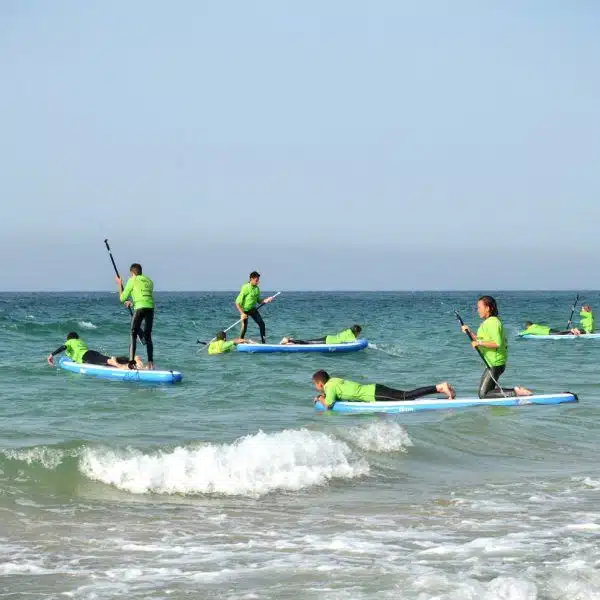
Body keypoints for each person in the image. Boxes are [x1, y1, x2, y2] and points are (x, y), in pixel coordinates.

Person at [461, 296, 532, 399]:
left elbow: (496, 343)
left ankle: (516, 392)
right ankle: (501, 404)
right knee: (488, 393)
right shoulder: (489, 322)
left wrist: (479, 343)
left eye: (479, 307)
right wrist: (469, 332)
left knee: (483, 395)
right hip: (492, 363)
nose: (478, 310)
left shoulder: (493, 322)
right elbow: (482, 340)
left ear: (488, 308)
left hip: (495, 363)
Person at [311, 369, 455, 409]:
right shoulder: (334, 381)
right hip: (374, 388)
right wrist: (323, 395)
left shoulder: (329, 387)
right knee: (406, 395)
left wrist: (320, 398)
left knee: (406, 396)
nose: (317, 389)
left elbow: (329, 404)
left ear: (320, 384)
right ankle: (440, 388)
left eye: (316, 386)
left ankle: (439, 387)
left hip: (374, 395)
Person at [117, 263, 154, 369]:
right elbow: (142, 295)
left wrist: (119, 283)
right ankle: (151, 363)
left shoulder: (132, 280)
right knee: (148, 336)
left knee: (133, 333)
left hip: (140, 308)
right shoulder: (149, 281)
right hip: (150, 309)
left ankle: (132, 362)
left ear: (132, 273)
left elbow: (122, 298)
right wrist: (132, 302)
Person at [47, 332, 144, 369]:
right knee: (105, 360)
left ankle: (119, 364)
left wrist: (52, 355)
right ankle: (132, 361)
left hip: (85, 356)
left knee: (108, 361)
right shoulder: (79, 341)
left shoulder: (69, 342)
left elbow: (63, 347)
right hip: (91, 352)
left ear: (68, 338)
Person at [235, 271, 275, 343]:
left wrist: (266, 300)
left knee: (262, 324)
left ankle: (263, 342)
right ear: (251, 279)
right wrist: (242, 314)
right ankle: (240, 341)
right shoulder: (245, 288)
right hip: (244, 310)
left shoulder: (257, 289)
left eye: (258, 280)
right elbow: (237, 303)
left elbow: (259, 301)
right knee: (244, 327)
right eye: (256, 280)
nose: (258, 282)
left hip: (252, 310)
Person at [280, 325, 361, 345]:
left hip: (328, 338)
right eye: (359, 333)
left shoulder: (348, 331)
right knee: (308, 342)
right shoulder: (352, 336)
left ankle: (291, 341)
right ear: (356, 332)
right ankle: (288, 340)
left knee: (309, 341)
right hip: (327, 341)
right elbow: (353, 341)